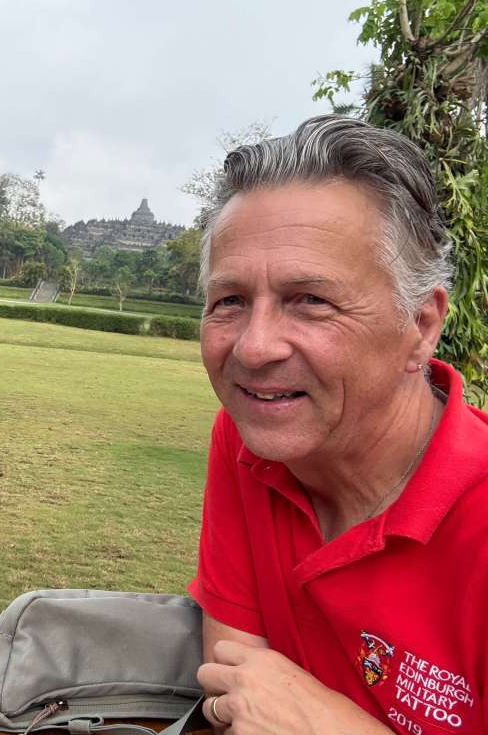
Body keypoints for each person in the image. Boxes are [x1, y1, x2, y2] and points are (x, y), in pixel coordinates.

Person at [189, 115, 488, 734]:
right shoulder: (253, 439)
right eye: (230, 301)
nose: (254, 348)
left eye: (311, 301)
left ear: (421, 327)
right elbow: (236, 687)